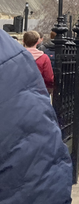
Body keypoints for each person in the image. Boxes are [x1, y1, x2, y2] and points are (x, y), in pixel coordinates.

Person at [0, 29, 72, 203]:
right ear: (38, 41)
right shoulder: (28, 57)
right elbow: (49, 79)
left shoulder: (18, 53)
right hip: (33, 96)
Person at [23, 30, 54, 95]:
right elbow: (48, 78)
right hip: (38, 91)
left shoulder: (17, 56)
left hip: (21, 91)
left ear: (23, 41)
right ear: (37, 42)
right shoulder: (44, 58)